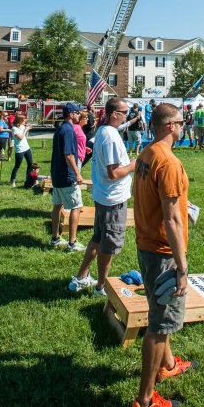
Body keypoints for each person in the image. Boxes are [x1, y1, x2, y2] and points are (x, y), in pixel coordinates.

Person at [131, 103, 197, 407]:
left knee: (162, 312)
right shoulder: (168, 162)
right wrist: (182, 266)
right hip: (163, 252)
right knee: (159, 324)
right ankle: (145, 401)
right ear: (170, 126)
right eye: (182, 122)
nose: (184, 126)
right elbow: (171, 220)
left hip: (146, 245)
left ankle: (168, 364)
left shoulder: (147, 153)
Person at [68, 97, 136, 297]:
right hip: (112, 199)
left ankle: (81, 277)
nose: (127, 116)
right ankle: (100, 287)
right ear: (115, 114)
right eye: (125, 113)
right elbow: (113, 172)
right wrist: (133, 164)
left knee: (97, 238)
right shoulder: (110, 137)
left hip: (103, 195)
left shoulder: (104, 131)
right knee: (108, 245)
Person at [50, 103, 85, 252]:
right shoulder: (69, 130)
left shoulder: (60, 129)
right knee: (76, 207)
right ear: (71, 114)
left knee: (57, 206)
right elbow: (69, 155)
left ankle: (55, 238)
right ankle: (72, 242)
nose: (79, 115)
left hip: (57, 175)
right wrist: (77, 174)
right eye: (77, 112)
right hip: (67, 176)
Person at [10, 114, 34, 187]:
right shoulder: (14, 129)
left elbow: (25, 137)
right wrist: (26, 130)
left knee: (30, 164)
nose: (25, 121)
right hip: (20, 150)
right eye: (24, 120)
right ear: (20, 121)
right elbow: (20, 137)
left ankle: (28, 179)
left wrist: (28, 128)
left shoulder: (23, 126)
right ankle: (12, 181)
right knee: (17, 166)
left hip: (26, 148)